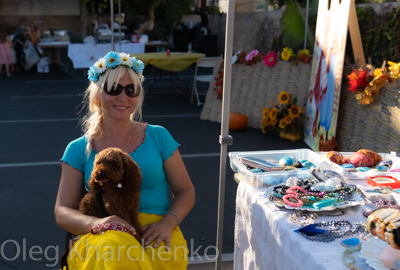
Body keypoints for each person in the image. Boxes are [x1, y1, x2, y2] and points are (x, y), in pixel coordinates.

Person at [55, 51, 195, 269]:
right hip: (103, 232)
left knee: (165, 256)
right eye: (114, 89)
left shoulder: (159, 136)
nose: (123, 97)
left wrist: (167, 224)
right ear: (97, 96)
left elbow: (186, 191)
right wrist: (98, 223)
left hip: (154, 226)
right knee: (115, 253)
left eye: (132, 90)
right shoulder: (78, 149)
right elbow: (62, 211)